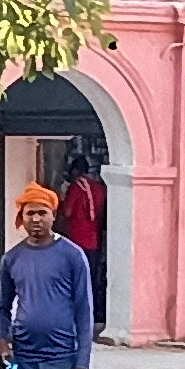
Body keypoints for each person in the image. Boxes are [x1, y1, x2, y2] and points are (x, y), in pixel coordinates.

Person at [0, 184, 95, 369]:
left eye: (42, 213)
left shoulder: (72, 255)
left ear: (53, 216)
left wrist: (82, 365)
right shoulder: (12, 259)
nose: (36, 219)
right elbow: (1, 307)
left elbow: (84, 311)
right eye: (30, 213)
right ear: (21, 218)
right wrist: (2, 339)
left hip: (61, 359)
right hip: (25, 359)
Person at [52, 140, 110, 333]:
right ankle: (93, 316)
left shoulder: (77, 187)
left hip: (76, 240)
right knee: (92, 279)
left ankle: (76, 317)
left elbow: (68, 212)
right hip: (94, 240)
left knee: (73, 281)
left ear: (74, 171)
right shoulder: (98, 188)